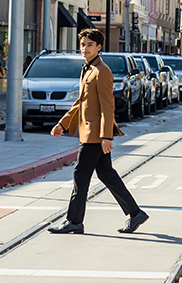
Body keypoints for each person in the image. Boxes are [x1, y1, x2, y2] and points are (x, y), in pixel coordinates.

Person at [48, 28, 149, 235]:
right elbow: (81, 102)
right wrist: (63, 123)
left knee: (80, 175)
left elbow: (107, 106)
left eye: (89, 45)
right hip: (88, 131)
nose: (85, 48)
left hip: (94, 135)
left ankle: (74, 221)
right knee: (106, 174)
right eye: (83, 44)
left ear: (99, 47)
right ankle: (135, 213)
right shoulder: (88, 69)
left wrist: (105, 136)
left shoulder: (102, 71)